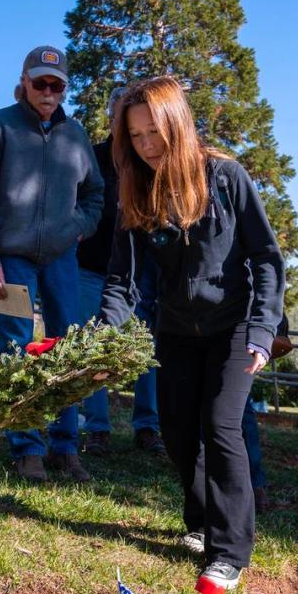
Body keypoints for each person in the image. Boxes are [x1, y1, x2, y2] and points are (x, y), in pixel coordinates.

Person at [100, 76, 285, 590]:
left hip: (235, 327)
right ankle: (201, 522)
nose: (147, 145)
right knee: (180, 433)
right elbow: (122, 281)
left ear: (177, 125)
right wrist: (100, 337)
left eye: (154, 132)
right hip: (176, 330)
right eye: (135, 137)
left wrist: (264, 329)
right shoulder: (136, 191)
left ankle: (229, 552)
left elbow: (267, 258)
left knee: (221, 427)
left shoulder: (225, 177)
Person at [0, 45, 104, 483]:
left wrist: (77, 227)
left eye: (56, 85)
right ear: (24, 81)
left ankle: (66, 447)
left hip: (62, 259)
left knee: (69, 348)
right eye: (40, 83)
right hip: (11, 260)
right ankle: (26, 447)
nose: (48, 92)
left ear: (65, 88)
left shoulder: (76, 135)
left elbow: (95, 195)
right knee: (16, 347)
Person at [78, 87, 165, 457]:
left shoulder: (149, 161)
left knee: (145, 348)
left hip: (139, 274)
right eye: (120, 117)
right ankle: (97, 428)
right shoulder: (91, 157)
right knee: (93, 344)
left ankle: (148, 426)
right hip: (90, 266)